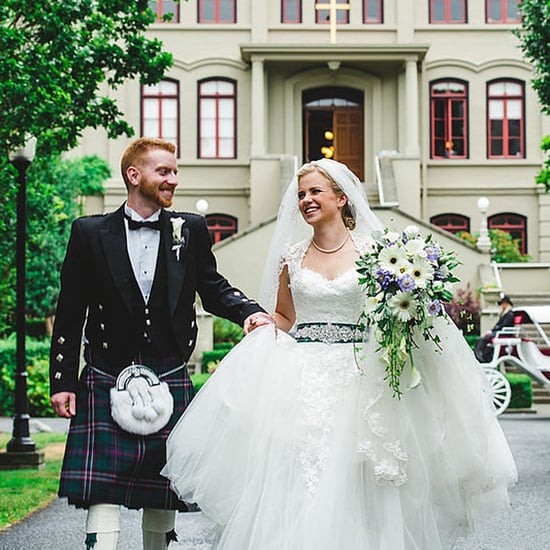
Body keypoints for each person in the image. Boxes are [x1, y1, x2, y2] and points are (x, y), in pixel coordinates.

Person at [162, 159, 517, 549]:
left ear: (341, 198)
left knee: (363, 481)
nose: (306, 200)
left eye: (315, 191)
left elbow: (399, 308)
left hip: (361, 379)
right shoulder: (291, 257)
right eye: (301, 194)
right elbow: (285, 316)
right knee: (299, 478)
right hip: (303, 380)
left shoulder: (379, 254)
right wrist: (261, 323)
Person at [49, 137, 270, 550]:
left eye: (174, 171)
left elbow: (212, 286)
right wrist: (62, 380)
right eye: (163, 171)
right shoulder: (90, 232)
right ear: (134, 176)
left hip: (168, 371)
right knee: (103, 490)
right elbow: (70, 309)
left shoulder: (191, 230)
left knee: (165, 480)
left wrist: (249, 312)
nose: (173, 179)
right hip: (106, 372)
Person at [474, 295, 516, 363]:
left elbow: (503, 326)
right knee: (481, 339)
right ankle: (478, 354)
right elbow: (498, 325)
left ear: (506, 304)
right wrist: (491, 331)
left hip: (503, 333)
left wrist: (494, 331)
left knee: (484, 339)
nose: (501, 306)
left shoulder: (509, 314)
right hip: (499, 332)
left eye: (502, 304)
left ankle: (479, 355)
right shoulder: (504, 314)